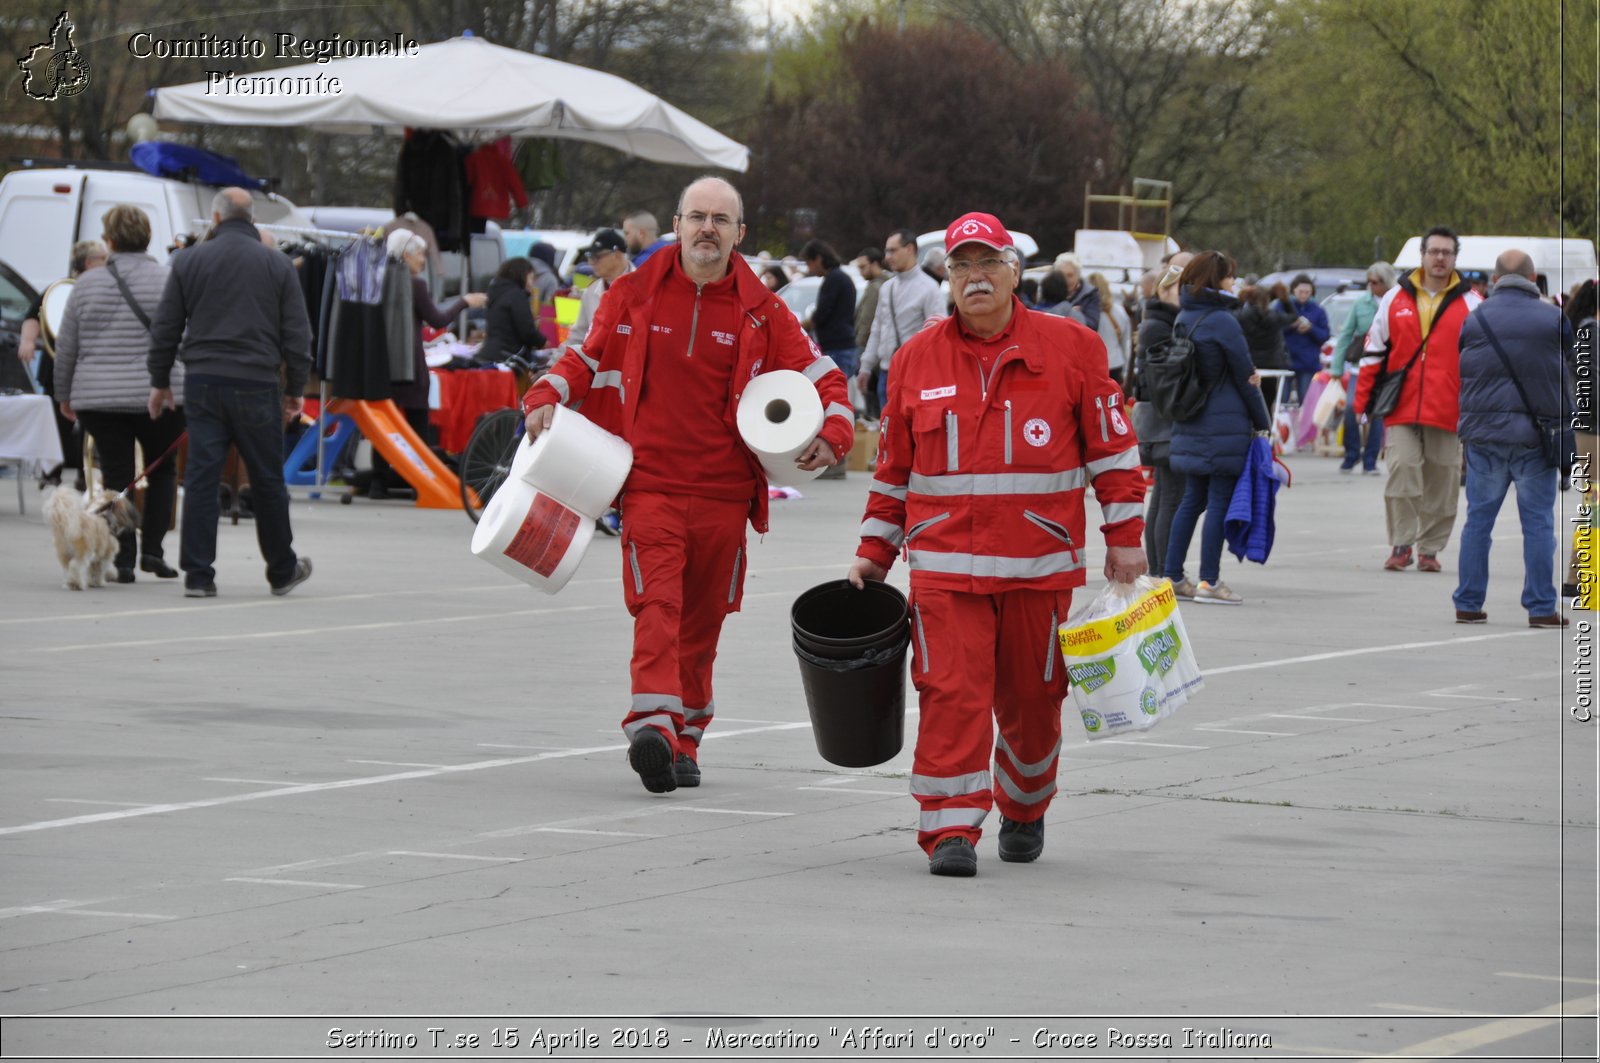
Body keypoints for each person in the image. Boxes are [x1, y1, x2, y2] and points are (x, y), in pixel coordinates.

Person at [520, 176, 853, 794]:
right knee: (658, 605)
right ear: (676, 225)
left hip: (728, 497)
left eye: (720, 220)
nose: (707, 229)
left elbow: (825, 377)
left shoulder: (765, 309)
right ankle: (652, 722)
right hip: (649, 487)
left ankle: (687, 733)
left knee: (703, 623)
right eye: (697, 217)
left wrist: (833, 431)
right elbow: (586, 358)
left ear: (739, 234)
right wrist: (547, 390)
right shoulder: (631, 294)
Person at [847, 211, 1147, 877]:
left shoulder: (1073, 350)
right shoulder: (914, 359)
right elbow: (893, 469)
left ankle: (1025, 803)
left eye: (987, 264)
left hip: (1038, 572)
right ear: (946, 277)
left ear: (1014, 271)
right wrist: (874, 549)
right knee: (950, 694)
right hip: (943, 573)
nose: (974, 278)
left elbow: (1115, 454)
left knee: (1032, 704)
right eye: (960, 267)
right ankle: (950, 827)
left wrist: (1125, 539)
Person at [146, 187, 314, 598]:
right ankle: (281, 569)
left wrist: (159, 380)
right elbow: (297, 335)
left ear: (217, 219)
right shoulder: (277, 264)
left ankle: (199, 576)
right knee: (267, 478)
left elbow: (166, 326)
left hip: (203, 382)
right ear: (252, 219)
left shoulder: (189, 260)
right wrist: (294, 390)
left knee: (202, 478)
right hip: (258, 384)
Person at [51, 206, 185, 583]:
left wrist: (64, 394)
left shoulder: (86, 284)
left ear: (109, 241)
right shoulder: (168, 279)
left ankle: (122, 558)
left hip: (98, 396)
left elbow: (68, 348)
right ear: (147, 238)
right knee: (162, 473)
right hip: (158, 393)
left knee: (117, 475)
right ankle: (154, 553)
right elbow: (183, 338)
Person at [1452, 250, 1575, 629]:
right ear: (1533, 276)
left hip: (1483, 435)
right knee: (1538, 522)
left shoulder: (1475, 319)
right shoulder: (1553, 317)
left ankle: (1469, 602)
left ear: (1494, 279)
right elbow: (1570, 367)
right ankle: (1541, 608)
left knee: (1478, 520)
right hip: (1535, 436)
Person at [1354, 225, 1483, 574]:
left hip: (1449, 407)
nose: (1440, 258)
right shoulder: (1395, 298)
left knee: (1443, 480)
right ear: (1422, 256)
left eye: (1446, 252)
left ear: (1455, 258)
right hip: (1401, 405)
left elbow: (1482, 361)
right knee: (1403, 470)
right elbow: (1373, 353)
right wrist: (1362, 403)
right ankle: (1401, 543)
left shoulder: (1472, 303)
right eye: (1434, 252)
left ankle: (1430, 549)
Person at [1161, 251, 1271, 605]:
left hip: (1191, 416)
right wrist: (1262, 421)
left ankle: (1173, 575)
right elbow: (1245, 375)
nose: (1233, 283)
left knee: (1191, 499)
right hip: (1224, 422)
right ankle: (1210, 580)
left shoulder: (1185, 314)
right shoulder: (1223, 320)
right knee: (1220, 500)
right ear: (1216, 280)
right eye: (1229, 277)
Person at [371, 230, 485, 499]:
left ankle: (378, 482)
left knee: (382, 423)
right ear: (407, 254)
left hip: (382, 363)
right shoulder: (414, 285)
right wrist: (464, 302)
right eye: (421, 254)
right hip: (409, 363)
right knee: (417, 423)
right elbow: (436, 319)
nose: (423, 260)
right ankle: (418, 481)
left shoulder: (377, 277)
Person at [24, 239, 105, 487]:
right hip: (58, 365)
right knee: (56, 424)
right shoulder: (60, 288)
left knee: (90, 424)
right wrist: (27, 341)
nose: (108, 263)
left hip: (89, 366)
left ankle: (86, 474)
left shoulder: (104, 288)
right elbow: (34, 314)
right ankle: (51, 472)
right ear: (89, 263)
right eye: (103, 259)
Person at [1131, 253, 1192, 576]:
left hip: (1157, 417)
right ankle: (1165, 569)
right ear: (1167, 290)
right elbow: (1163, 378)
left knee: (1165, 497)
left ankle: (1160, 568)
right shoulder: (1162, 325)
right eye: (1181, 289)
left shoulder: (1157, 320)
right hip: (1161, 418)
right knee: (1171, 498)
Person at [856, 228, 945, 412]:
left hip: (916, 375)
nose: (887, 256)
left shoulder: (929, 289)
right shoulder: (887, 288)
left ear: (910, 249)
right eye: (887, 251)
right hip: (886, 374)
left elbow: (939, 336)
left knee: (913, 435)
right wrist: (865, 366)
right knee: (888, 434)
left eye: (893, 250)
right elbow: (878, 329)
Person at [1328, 262, 1396, 474]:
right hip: (1360, 366)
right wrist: (1336, 368)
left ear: (1385, 282)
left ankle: (1370, 460)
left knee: (1376, 414)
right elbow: (1346, 334)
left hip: (1386, 368)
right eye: (1369, 281)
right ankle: (1352, 454)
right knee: (1350, 408)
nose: (1370, 285)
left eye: (1375, 282)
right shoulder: (1361, 303)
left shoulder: (1396, 301)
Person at [1564, 280, 1597, 601]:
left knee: (1594, 502)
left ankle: (1579, 575)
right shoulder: (1592, 332)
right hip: (1592, 430)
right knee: (1594, 502)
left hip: (1590, 427)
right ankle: (1580, 575)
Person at [800, 239, 857, 415]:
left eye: (809, 263)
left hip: (838, 347)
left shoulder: (834, 279)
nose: (809, 269)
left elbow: (823, 312)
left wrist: (804, 325)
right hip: (843, 344)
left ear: (818, 258)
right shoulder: (840, 277)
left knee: (834, 398)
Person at [474, 257, 548, 366]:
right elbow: (527, 330)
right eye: (531, 279)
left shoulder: (497, 291)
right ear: (523, 275)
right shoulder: (517, 296)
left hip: (491, 352)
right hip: (509, 356)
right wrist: (543, 342)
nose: (532, 285)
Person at [565, 228, 632, 347]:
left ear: (616, 255)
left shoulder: (645, 286)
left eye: (597, 257)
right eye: (590, 257)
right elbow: (578, 336)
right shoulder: (590, 292)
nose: (591, 262)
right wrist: (554, 362)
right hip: (598, 364)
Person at [1233, 282, 1294, 411]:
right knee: (1267, 402)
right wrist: (1285, 300)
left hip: (1250, 364)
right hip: (1272, 364)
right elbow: (1293, 316)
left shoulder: (1243, 316)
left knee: (1247, 403)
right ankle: (1266, 428)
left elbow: (1230, 314)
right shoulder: (1275, 317)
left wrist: (1239, 299)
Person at [1276, 274, 1330, 405]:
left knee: (1305, 401)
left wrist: (1311, 328)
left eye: (1307, 292)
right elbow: (1274, 329)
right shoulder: (1283, 306)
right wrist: (1291, 326)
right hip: (1286, 360)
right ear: (1293, 290)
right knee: (1281, 400)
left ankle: (1302, 425)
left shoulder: (1318, 310)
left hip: (1308, 363)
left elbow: (1325, 335)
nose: (1304, 295)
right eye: (1300, 291)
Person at [852, 246, 886, 415]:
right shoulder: (886, 283)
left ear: (874, 264)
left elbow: (866, 322)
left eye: (863, 266)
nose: (860, 271)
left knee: (871, 399)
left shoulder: (876, 287)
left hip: (870, 351)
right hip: (880, 353)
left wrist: (859, 349)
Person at [1090, 272, 1130, 385]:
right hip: (1115, 363)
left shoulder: (1084, 313)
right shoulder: (1119, 311)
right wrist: (1125, 371)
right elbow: (1126, 344)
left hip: (1091, 366)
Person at [1052, 253, 1101, 331]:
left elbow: (1092, 326)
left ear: (1078, 276)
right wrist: (1069, 312)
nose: (1065, 280)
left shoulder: (1090, 294)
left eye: (1070, 275)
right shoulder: (1048, 292)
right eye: (1061, 275)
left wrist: (1072, 315)